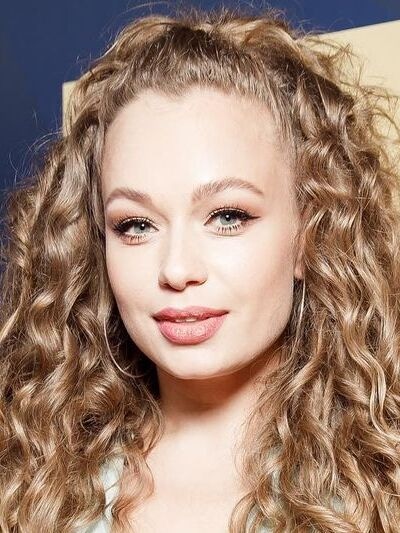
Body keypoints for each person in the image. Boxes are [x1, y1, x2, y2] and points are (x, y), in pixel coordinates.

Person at [0, 4, 399, 533]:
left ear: (310, 234)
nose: (176, 268)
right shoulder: (29, 486)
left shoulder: (383, 491)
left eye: (228, 216)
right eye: (136, 225)